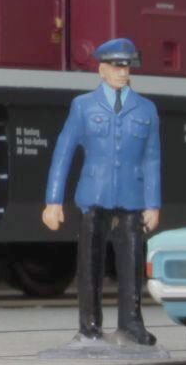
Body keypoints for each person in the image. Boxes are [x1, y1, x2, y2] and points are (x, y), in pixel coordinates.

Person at [42, 37, 161, 346]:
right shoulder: (83, 106)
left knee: (132, 261)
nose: (123, 72)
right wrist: (53, 201)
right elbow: (63, 152)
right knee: (90, 263)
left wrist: (153, 204)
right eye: (117, 67)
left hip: (132, 197)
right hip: (94, 195)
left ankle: (131, 324)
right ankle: (90, 327)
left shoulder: (146, 109)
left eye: (127, 67)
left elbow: (151, 159)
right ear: (102, 70)